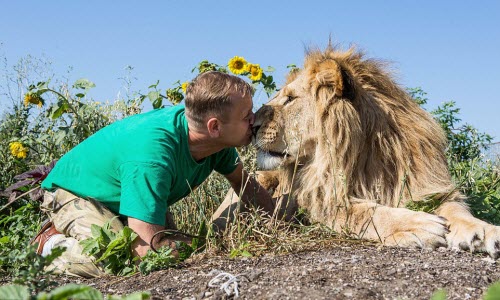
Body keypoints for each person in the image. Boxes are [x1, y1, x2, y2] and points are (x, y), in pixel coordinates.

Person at [32, 71, 275, 278]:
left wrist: (283, 222)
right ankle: (50, 246)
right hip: (75, 193)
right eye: (247, 116)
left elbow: (246, 187)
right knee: (119, 260)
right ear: (214, 127)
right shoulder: (153, 155)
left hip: (124, 199)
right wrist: (160, 244)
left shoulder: (217, 145)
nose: (255, 120)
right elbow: (147, 250)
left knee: (183, 248)